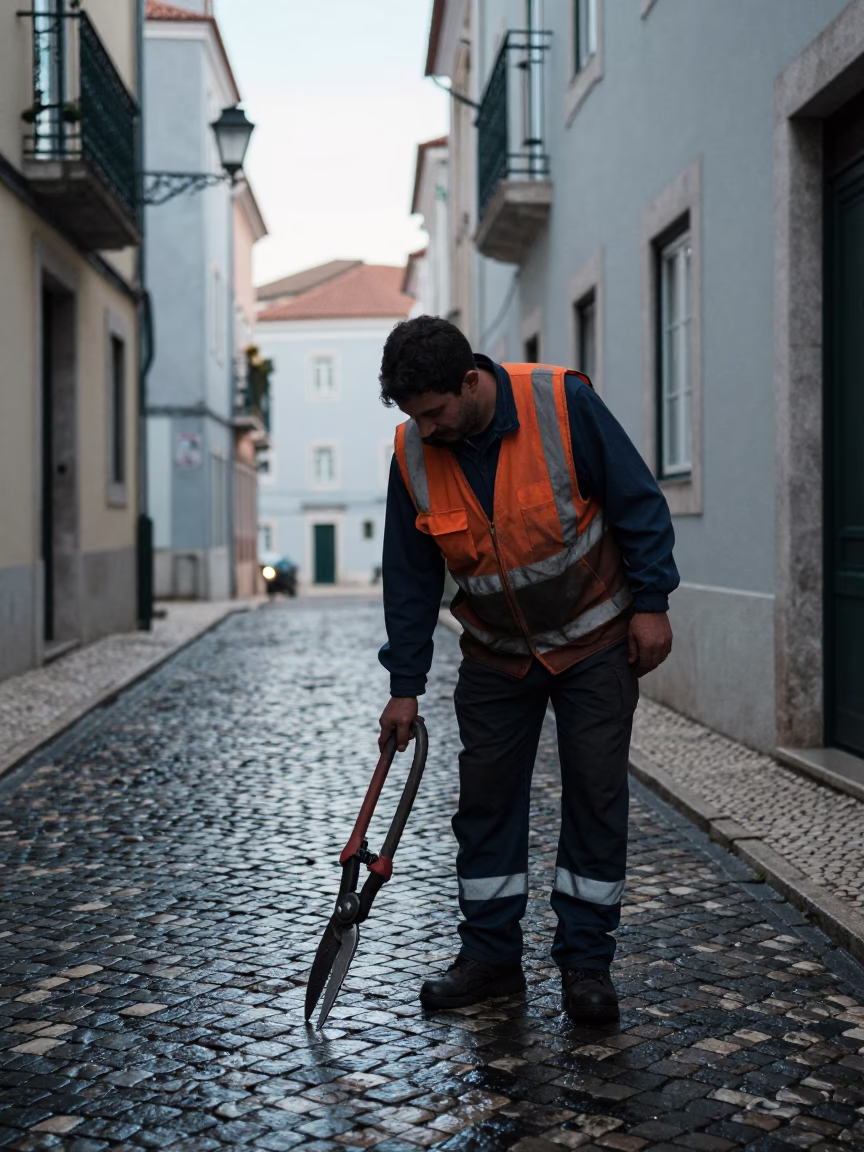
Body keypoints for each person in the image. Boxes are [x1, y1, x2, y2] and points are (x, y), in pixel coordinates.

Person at [377, 316, 678, 1022]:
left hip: (596, 639)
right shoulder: (414, 452)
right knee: (485, 804)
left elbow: (637, 500)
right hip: (495, 654)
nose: (427, 428)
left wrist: (652, 603)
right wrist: (403, 687)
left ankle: (585, 964)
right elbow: (409, 576)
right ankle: (489, 958)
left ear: (471, 382)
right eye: (414, 416)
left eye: (436, 411)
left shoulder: (561, 403)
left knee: (596, 799)